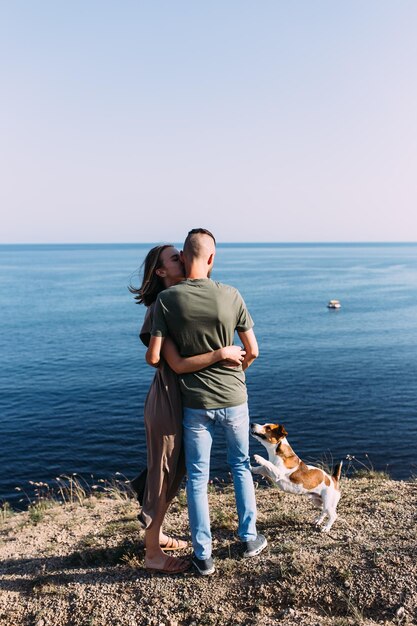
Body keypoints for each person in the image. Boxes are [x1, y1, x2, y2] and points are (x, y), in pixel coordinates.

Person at [146, 229, 267, 576]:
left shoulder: (167, 301)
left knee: (198, 477)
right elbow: (253, 350)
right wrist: (236, 369)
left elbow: (155, 357)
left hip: (195, 403)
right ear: (212, 258)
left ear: (184, 258)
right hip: (235, 398)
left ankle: (204, 556)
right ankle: (249, 538)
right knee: (240, 465)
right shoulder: (231, 295)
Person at [130, 244, 245, 574]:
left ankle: (158, 532)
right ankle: (152, 553)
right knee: (162, 473)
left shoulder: (179, 303)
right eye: (174, 257)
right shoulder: (160, 307)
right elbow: (169, 362)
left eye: (182, 253)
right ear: (161, 271)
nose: (182, 257)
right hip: (166, 399)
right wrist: (221, 354)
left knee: (175, 470)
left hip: (184, 399)